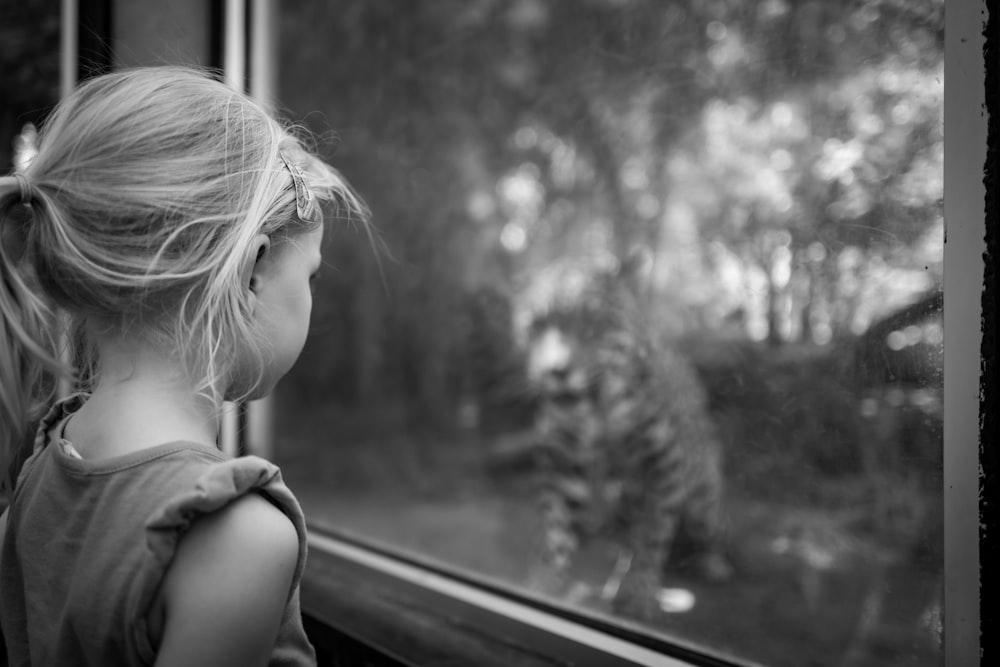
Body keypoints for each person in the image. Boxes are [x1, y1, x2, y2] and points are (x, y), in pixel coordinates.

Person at [0, 66, 368, 666]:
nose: (313, 296)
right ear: (251, 271)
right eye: (312, 275)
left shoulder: (45, 467)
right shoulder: (237, 536)